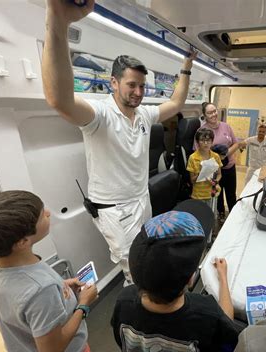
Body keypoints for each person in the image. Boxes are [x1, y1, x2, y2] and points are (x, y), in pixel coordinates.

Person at [42, 0, 197, 284]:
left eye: (141, 86)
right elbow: (59, 100)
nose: (138, 92)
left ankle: (149, 297)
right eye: (131, 85)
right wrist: (59, 20)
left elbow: (175, 103)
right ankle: (136, 315)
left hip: (141, 198)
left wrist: (186, 67)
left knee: (147, 254)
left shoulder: (143, 114)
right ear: (113, 83)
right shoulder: (100, 114)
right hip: (115, 209)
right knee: (134, 267)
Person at [111, 200, 240, 352]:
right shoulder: (207, 313)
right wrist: (223, 278)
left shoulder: (124, 300)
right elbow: (227, 326)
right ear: (191, 278)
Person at [0, 190, 98, 352]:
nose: (48, 213)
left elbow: (18, 303)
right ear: (23, 241)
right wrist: (83, 305)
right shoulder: (41, 290)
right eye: (42, 216)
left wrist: (60, 286)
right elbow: (52, 351)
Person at [199, 102, 238, 219]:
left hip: (230, 166)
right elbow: (199, 152)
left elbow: (236, 143)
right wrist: (217, 159)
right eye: (210, 113)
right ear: (204, 115)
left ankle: (232, 216)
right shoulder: (202, 131)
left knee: (231, 194)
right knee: (218, 194)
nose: (213, 114)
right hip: (214, 170)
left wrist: (226, 154)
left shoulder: (226, 126)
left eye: (214, 111)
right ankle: (221, 214)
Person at [187, 128, 222, 208]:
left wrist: (215, 181)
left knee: (210, 216)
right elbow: (192, 180)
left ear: (212, 141)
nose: (206, 143)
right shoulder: (192, 158)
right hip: (197, 195)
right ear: (198, 142)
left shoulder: (215, 156)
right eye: (202, 140)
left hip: (211, 194)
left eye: (208, 140)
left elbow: (219, 174)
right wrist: (202, 172)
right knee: (199, 217)